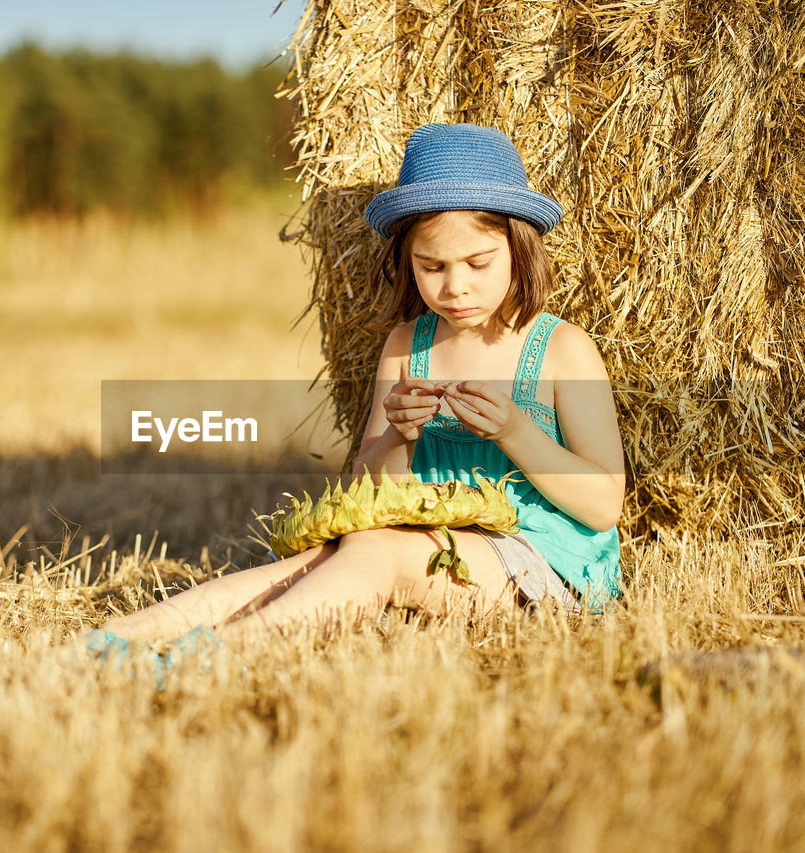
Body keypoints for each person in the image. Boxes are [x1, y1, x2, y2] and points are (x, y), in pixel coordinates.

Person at [81, 123, 624, 670]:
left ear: (520, 246)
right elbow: (368, 486)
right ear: (406, 262)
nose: (454, 286)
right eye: (431, 267)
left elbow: (603, 506)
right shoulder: (406, 346)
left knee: (377, 554)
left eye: (478, 264)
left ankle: (218, 655)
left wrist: (515, 432)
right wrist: (399, 435)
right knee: (318, 557)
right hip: (427, 535)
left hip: (540, 561)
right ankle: (115, 637)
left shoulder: (560, 350)